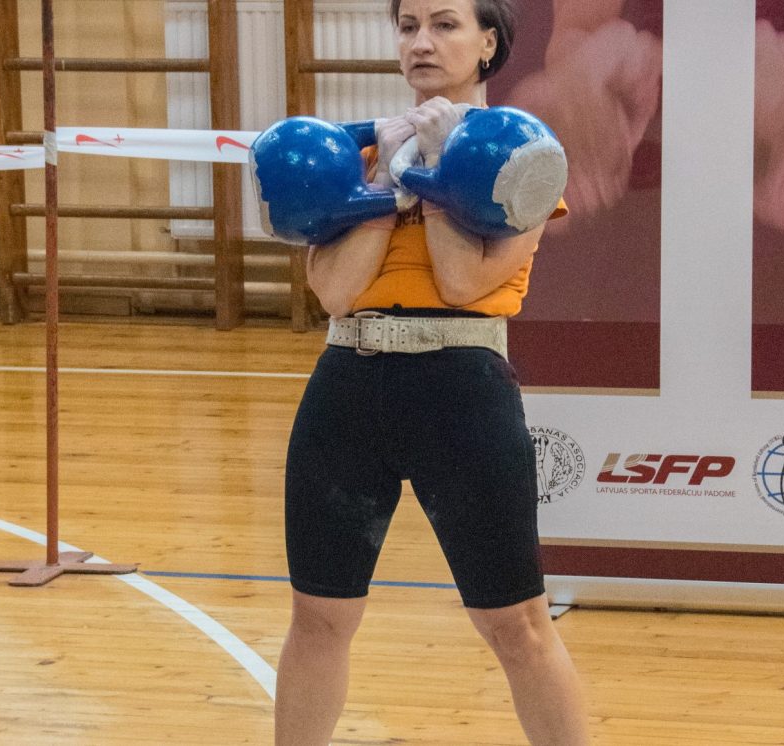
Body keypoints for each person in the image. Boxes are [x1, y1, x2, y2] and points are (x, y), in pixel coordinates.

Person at [274, 1, 590, 744]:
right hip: (348, 384)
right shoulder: (359, 155)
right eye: (408, 24)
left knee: (516, 625)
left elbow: (460, 281)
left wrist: (442, 170)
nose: (421, 41)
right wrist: (389, 178)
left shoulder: (523, 154)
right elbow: (336, 291)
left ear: (487, 43)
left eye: (444, 24)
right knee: (318, 616)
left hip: (461, 391)